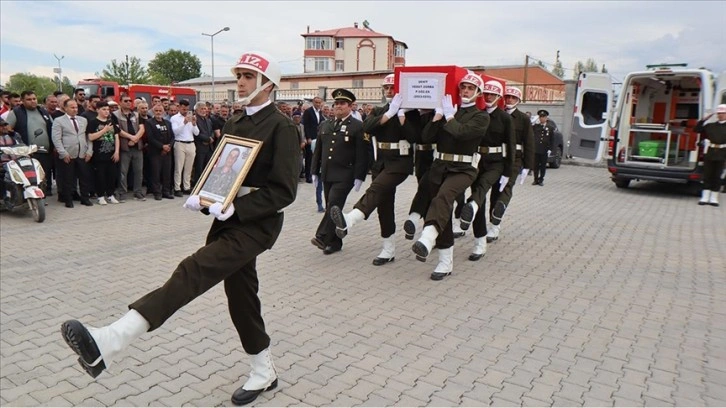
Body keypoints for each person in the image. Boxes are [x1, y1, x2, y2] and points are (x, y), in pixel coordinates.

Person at [59, 50, 299, 406]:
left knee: (194, 269)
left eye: (248, 76)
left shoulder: (283, 127)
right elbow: (223, 170)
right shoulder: (236, 123)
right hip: (227, 219)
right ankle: (264, 371)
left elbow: (284, 191)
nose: (241, 82)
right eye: (240, 75)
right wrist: (206, 196)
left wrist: (236, 207)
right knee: (242, 298)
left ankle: (112, 339)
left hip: (256, 225)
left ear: (267, 85)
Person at [329, 74, 420, 265]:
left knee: (376, 188)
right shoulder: (379, 110)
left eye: (392, 88)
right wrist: (389, 113)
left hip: (400, 162)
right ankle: (388, 249)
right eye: (386, 88)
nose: (388, 91)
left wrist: (401, 115)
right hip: (382, 162)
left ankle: (351, 219)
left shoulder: (411, 113)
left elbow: (413, 137)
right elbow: (367, 128)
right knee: (384, 205)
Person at [410, 73, 489, 280]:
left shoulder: (481, 116)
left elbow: (462, 133)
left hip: (463, 168)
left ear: (478, 93)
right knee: (442, 209)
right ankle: (445, 262)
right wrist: (437, 116)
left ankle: (427, 238)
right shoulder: (447, 110)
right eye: (463, 87)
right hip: (440, 165)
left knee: (443, 197)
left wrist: (450, 116)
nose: (465, 91)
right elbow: (426, 138)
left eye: (471, 88)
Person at [458, 79, 515, 262]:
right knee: (478, 200)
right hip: (478, 160)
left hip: (497, 161)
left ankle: (471, 205)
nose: (489, 97)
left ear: (499, 97)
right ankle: (480, 242)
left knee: (482, 187)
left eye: (493, 94)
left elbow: (511, 145)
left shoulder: (505, 118)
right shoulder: (478, 114)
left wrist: (508, 172)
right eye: (487, 93)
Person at [310, 88, 368, 255]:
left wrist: (360, 176)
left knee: (334, 204)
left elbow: (362, 154)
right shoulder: (326, 124)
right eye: (336, 103)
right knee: (333, 207)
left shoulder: (357, 126)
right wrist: (314, 171)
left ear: (350, 106)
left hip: (345, 174)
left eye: (342, 104)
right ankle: (336, 242)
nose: (338, 106)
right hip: (327, 173)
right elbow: (319, 151)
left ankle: (322, 236)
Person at [486, 86, 535, 243]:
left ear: (518, 101)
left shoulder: (523, 119)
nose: (509, 100)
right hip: (499, 157)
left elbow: (529, 142)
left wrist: (528, 165)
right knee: (495, 190)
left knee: (506, 186)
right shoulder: (495, 114)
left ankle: (497, 219)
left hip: (516, 158)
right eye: (507, 97)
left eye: (513, 98)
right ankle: (493, 220)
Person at [4, 91, 55, 196]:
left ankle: (43, 194)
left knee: (44, 175)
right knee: (30, 176)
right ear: (22, 101)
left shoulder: (43, 111)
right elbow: (7, 128)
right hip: (26, 151)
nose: (32, 101)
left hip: (45, 151)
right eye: (29, 99)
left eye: (34, 99)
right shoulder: (16, 112)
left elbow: (51, 127)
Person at [51, 99, 93, 208]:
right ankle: (68, 199)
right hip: (68, 153)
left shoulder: (83, 120)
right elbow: (56, 139)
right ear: (65, 108)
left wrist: (89, 151)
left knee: (84, 177)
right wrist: (63, 153)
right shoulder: (59, 121)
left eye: (76, 107)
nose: (75, 109)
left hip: (82, 153)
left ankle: (85, 198)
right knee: (68, 178)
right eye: (72, 107)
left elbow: (88, 136)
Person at [86, 101, 121, 205]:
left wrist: (117, 151)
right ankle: (100, 196)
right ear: (98, 110)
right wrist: (104, 130)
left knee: (112, 176)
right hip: (99, 155)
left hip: (111, 153)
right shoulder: (93, 122)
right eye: (104, 109)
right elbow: (91, 137)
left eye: (107, 109)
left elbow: (116, 137)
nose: (106, 112)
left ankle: (110, 195)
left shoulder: (111, 121)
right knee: (100, 176)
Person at [694, 104, 726, 206]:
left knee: (717, 176)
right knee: (707, 175)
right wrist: (704, 119)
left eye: (723, 113)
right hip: (710, 152)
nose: (721, 115)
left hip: (722, 153)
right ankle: (705, 196)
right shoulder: (710, 125)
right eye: (719, 113)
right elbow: (697, 129)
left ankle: (714, 197)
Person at [145, 104, 175, 200]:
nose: (158, 112)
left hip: (168, 152)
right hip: (155, 152)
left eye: (160, 110)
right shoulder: (149, 122)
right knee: (156, 173)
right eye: (156, 111)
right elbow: (150, 138)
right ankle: (157, 192)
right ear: (153, 112)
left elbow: (173, 136)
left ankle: (166, 191)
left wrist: (169, 146)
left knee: (167, 173)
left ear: (163, 112)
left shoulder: (168, 122)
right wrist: (162, 146)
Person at [171, 99, 198, 196]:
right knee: (179, 167)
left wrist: (194, 124)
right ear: (179, 107)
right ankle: (177, 188)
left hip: (191, 143)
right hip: (180, 143)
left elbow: (196, 133)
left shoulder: (191, 117)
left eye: (187, 109)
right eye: (183, 109)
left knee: (189, 167)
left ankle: (186, 186)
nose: (185, 111)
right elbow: (175, 132)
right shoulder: (175, 118)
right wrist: (184, 122)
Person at [302, 96, 324, 183]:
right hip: (311, 138)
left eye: (319, 102)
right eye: (316, 102)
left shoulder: (320, 112)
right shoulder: (308, 112)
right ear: (313, 103)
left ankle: (315, 174)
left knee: (317, 157)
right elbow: (306, 125)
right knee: (309, 158)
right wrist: (308, 137)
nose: (318, 104)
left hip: (318, 137)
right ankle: (308, 176)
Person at [532, 109, 555, 186]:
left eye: (543, 117)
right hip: (536, 149)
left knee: (543, 166)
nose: (542, 118)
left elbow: (552, 140)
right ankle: (535, 179)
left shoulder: (550, 128)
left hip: (545, 150)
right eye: (540, 117)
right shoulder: (535, 127)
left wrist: (550, 149)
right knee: (535, 165)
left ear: (546, 118)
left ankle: (541, 179)